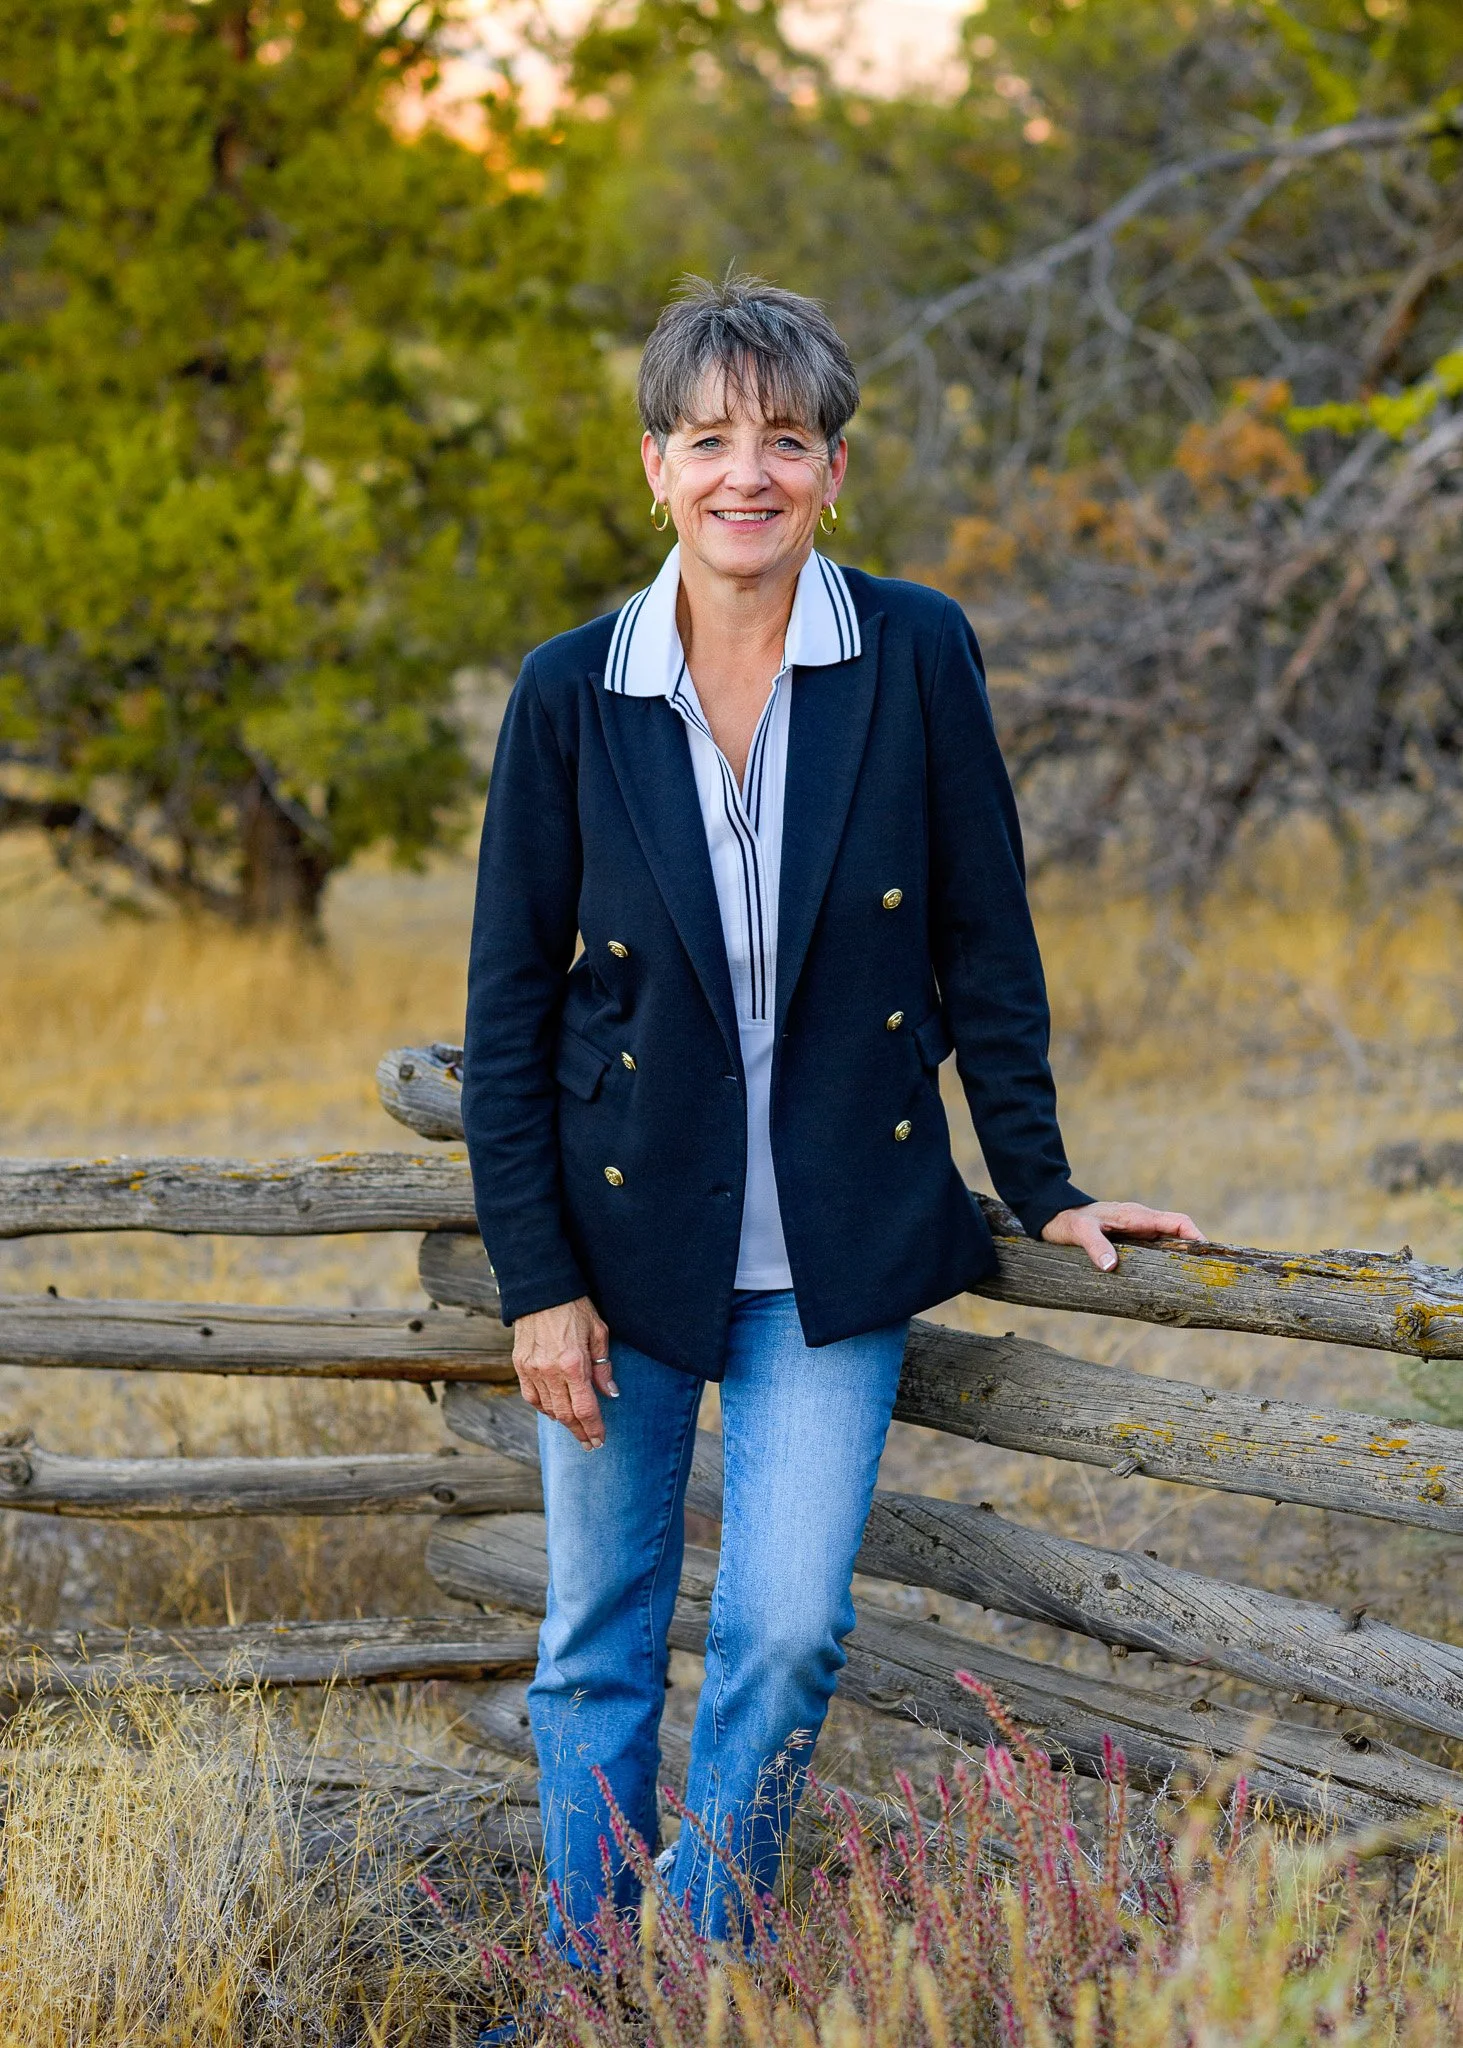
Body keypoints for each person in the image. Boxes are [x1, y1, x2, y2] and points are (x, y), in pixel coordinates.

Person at [461, 273, 1200, 1972]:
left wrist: (1047, 1182)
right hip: (618, 1246)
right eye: (710, 439)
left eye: (783, 440)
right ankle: (591, 1993)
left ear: (831, 472)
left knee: (785, 1631)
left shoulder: (915, 651)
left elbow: (981, 940)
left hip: (830, 1250)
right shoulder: (571, 691)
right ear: (654, 466)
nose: (748, 474)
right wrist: (534, 1286)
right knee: (594, 1638)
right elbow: (508, 1009)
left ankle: (689, 1973)